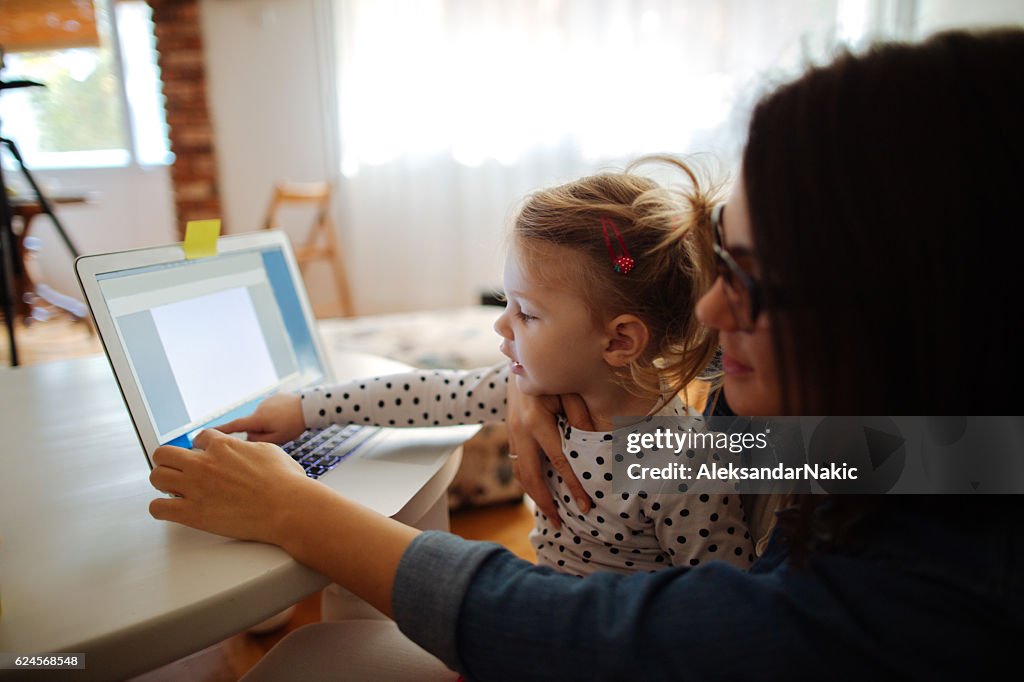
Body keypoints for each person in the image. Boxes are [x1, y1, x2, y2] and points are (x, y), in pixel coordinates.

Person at [149, 29, 1023, 680]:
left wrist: (298, 511)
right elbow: (652, 386)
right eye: (721, 265)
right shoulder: (952, 447)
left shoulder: (933, 607)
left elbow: (602, 635)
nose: (716, 312)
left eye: (755, 281)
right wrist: (541, 381)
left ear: (913, 307)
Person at [214, 160, 754, 578]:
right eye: (505, 304)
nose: (501, 327)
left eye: (528, 313)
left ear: (619, 340)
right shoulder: (542, 389)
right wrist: (307, 408)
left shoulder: (682, 466)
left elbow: (721, 612)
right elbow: (425, 394)